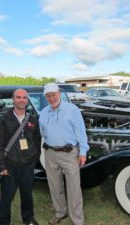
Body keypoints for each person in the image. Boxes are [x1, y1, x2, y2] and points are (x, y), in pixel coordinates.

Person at [39, 83, 89, 225]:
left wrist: (83, 152)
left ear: (59, 93)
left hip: (69, 153)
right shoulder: (43, 112)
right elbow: (43, 133)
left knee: (73, 188)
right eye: (48, 96)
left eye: (53, 94)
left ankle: (77, 220)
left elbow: (81, 132)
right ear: (45, 97)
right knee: (54, 186)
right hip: (49, 153)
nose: (51, 98)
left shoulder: (72, 110)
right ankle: (60, 212)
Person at [0, 88, 41, 225]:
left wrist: (33, 158)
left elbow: (37, 141)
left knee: (27, 195)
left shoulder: (32, 120)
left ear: (27, 100)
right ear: (13, 99)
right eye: (18, 97)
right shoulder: (4, 120)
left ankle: (28, 219)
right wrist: (1, 166)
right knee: (6, 197)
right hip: (9, 165)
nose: (21, 100)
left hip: (27, 166)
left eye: (24, 98)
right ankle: (1, 222)